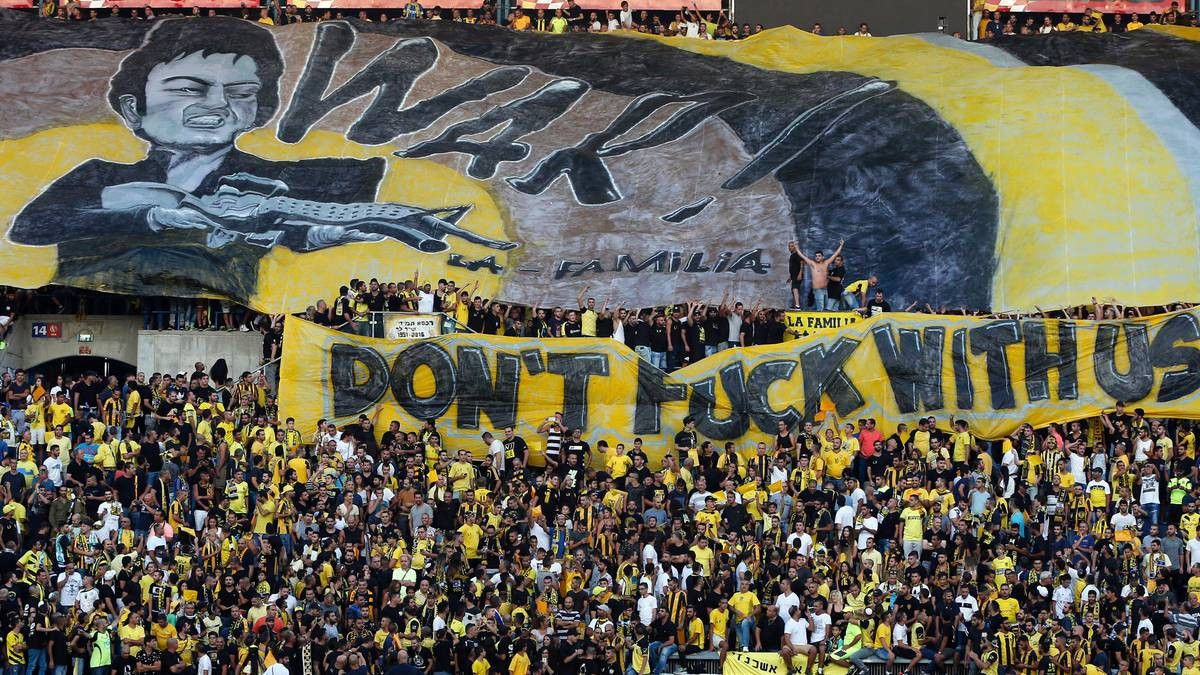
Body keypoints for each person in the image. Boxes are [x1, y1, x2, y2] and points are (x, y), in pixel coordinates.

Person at [795, 239, 845, 311]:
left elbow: (835, 255)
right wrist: (797, 248)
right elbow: (803, 256)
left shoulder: (826, 263)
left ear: (823, 257)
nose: (817, 257)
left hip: (826, 289)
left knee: (826, 309)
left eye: (819, 256)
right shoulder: (813, 264)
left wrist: (841, 245)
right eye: (816, 256)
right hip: (817, 290)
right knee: (820, 309)